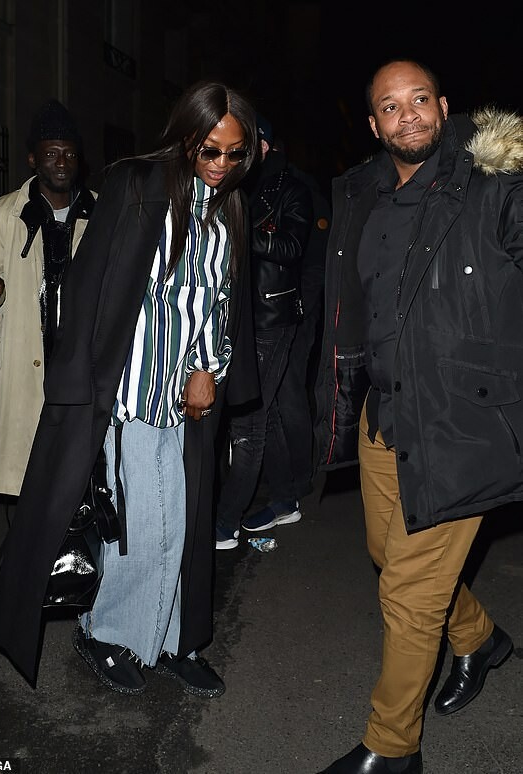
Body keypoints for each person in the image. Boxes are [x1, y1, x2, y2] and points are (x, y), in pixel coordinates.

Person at [0, 80, 260, 694]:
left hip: (190, 400)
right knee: (147, 523)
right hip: (129, 393)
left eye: (234, 153)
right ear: (185, 138)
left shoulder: (227, 208)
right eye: (209, 150)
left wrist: (209, 368)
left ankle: (170, 637)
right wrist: (81, 389)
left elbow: (219, 301)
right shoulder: (138, 184)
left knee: (183, 523)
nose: (221, 164)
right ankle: (109, 632)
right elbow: (90, 287)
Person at [313, 59, 520, 774]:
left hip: (461, 424)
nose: (409, 115)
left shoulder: (492, 185)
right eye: (391, 106)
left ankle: (392, 746)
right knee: (387, 555)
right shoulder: (362, 195)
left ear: (444, 105)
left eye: (420, 99)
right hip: (384, 416)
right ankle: (480, 638)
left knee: (408, 589)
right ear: (374, 125)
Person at [0, 98, 96, 497]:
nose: (62, 162)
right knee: (31, 482)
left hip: (82, 366)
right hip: (27, 364)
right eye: (51, 154)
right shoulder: (2, 216)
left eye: (69, 154)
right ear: (33, 160)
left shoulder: (101, 213)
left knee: (82, 478)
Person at [215, 114, 313, 549]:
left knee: (249, 422)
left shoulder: (290, 189)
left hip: (272, 318)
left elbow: (292, 247)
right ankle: (285, 500)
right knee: (266, 413)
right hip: (238, 316)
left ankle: (225, 523)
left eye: (247, 145)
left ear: (266, 147)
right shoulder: (234, 188)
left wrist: (242, 235)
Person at [261, 146, 330, 506]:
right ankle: (285, 475)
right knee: (275, 394)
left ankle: (301, 477)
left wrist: (302, 306)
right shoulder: (258, 184)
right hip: (270, 308)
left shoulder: (298, 187)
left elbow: (315, 257)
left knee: (289, 388)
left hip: (295, 306)